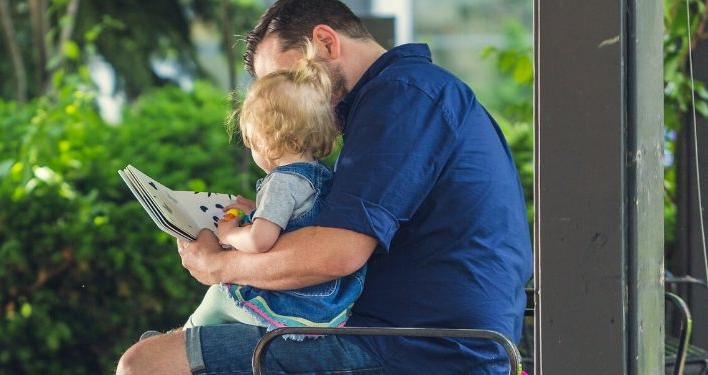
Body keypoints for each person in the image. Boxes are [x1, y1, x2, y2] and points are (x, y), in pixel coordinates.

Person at [116, 0, 532, 373]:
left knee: (146, 363)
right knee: (163, 348)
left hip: (416, 351)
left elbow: (336, 254)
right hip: (420, 341)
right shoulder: (410, 95)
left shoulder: (401, 97)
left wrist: (219, 267)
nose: (283, 104)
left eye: (287, 81)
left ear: (326, 42)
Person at [181, 41, 365, 332]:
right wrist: (257, 210)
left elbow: (259, 241)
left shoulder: (280, 182)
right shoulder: (320, 175)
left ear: (264, 140)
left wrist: (230, 232)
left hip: (298, 304)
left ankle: (183, 341)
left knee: (220, 295)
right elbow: (296, 222)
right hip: (330, 301)